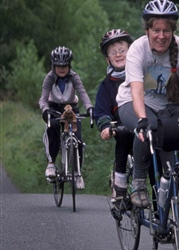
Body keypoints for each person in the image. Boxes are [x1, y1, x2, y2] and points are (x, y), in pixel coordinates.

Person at [116, 0, 179, 207]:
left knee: (176, 157)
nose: (161, 36)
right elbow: (137, 90)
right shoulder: (137, 50)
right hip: (132, 103)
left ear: (172, 30)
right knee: (148, 127)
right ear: (147, 30)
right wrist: (141, 119)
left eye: (166, 30)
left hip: (169, 110)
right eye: (156, 30)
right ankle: (138, 183)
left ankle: (172, 209)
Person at [39, 46, 94, 189]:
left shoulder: (74, 76)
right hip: (53, 107)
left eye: (65, 65)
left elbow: (82, 93)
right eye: (58, 66)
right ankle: (51, 163)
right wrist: (45, 110)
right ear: (53, 65)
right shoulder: (50, 77)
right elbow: (43, 98)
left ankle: (77, 173)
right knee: (53, 130)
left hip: (71, 107)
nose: (62, 68)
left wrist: (89, 108)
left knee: (78, 140)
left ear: (69, 65)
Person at [94, 29, 134, 204]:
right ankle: (119, 183)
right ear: (107, 58)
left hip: (145, 125)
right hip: (123, 127)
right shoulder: (106, 86)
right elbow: (101, 111)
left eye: (122, 50)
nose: (118, 54)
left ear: (131, 51)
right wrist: (105, 126)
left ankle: (160, 206)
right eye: (113, 52)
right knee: (123, 136)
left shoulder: (143, 76)